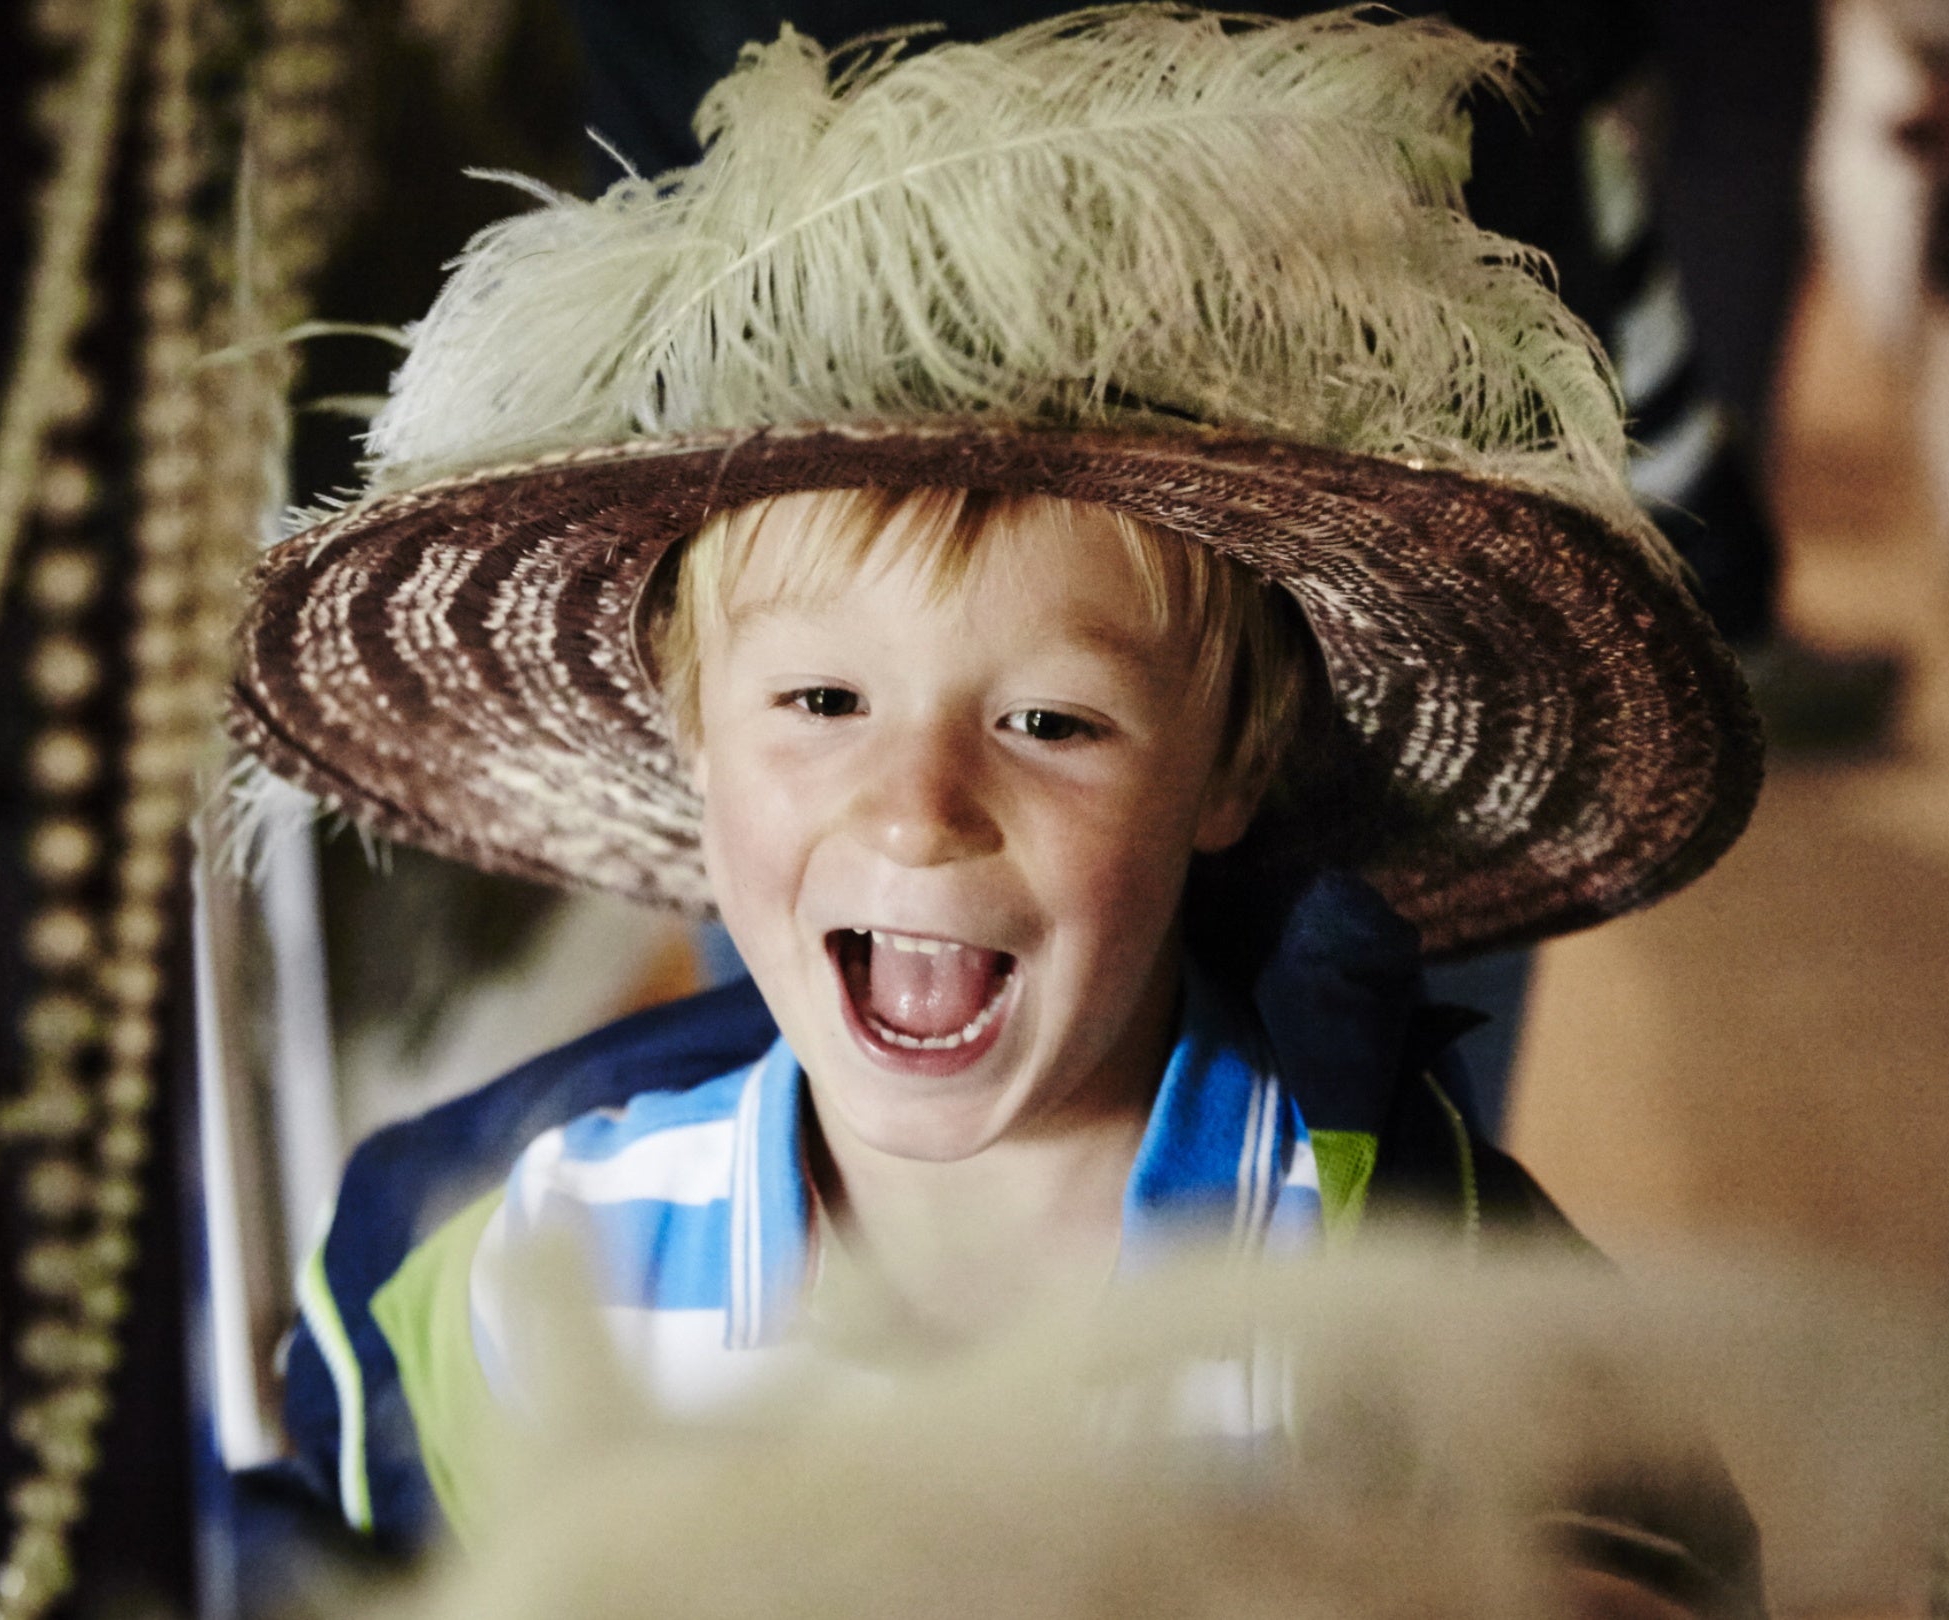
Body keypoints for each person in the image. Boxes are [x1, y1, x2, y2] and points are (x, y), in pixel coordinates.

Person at [224, 8, 1763, 1613]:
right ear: (693, 730)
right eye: (822, 703)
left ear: (1232, 764)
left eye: (1050, 721)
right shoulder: (521, 1261)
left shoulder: (1388, 1287)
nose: (917, 813)